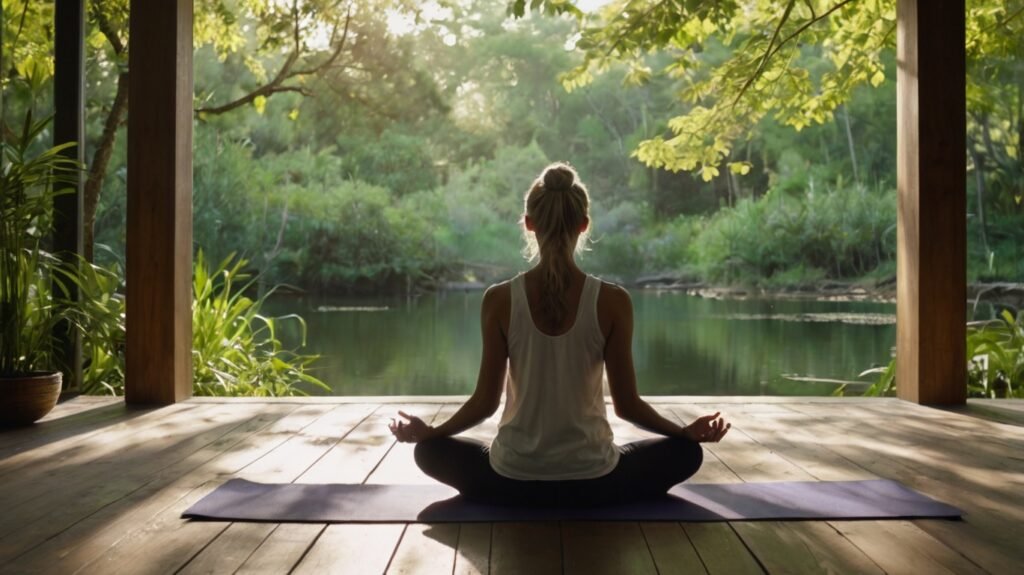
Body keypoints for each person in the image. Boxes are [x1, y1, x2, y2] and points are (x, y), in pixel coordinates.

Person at [389, 162, 730, 507]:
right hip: (594, 480)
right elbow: (628, 407)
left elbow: (485, 404)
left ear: (529, 223)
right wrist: (684, 433)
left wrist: (431, 433)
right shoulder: (613, 301)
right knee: (686, 453)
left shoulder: (499, 299)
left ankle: (517, 489)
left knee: (428, 452)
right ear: (584, 225)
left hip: (511, 478)